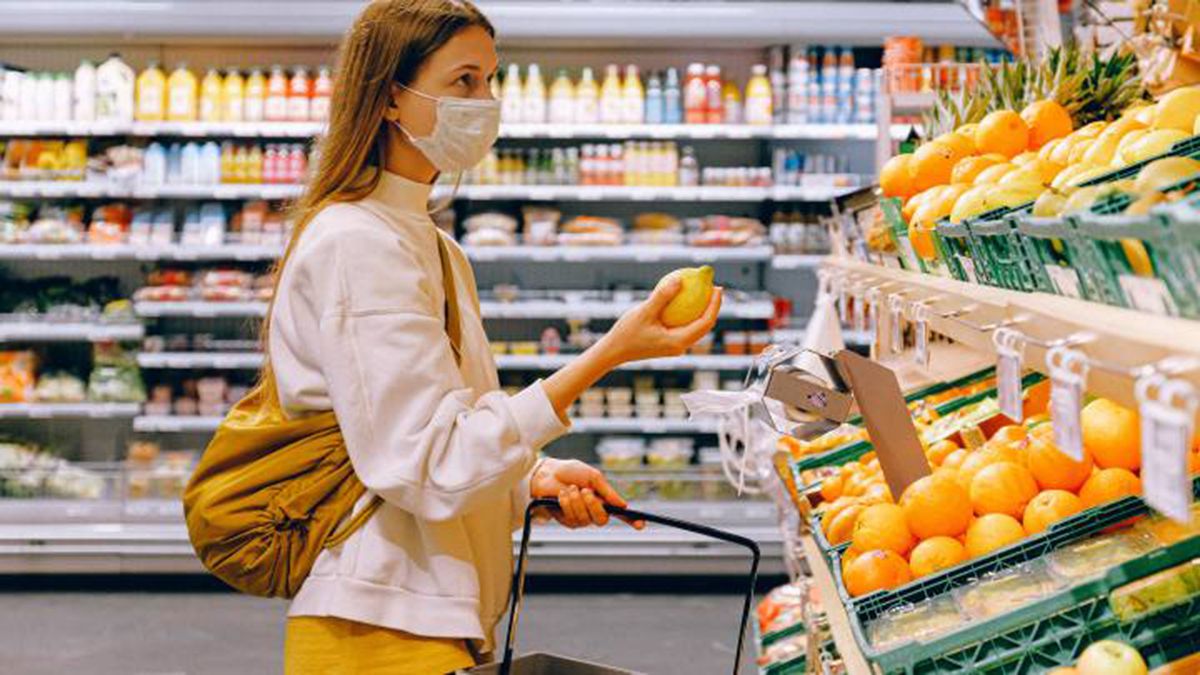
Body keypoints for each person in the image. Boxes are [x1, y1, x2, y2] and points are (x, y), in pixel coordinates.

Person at [270, 1, 722, 672]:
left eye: (491, 80)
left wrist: (527, 481)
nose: (486, 102)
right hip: (376, 629)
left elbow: (441, 438)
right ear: (392, 97)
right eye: (464, 82)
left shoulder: (434, 246)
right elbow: (425, 463)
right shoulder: (355, 244)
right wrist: (609, 354)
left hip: (430, 617)